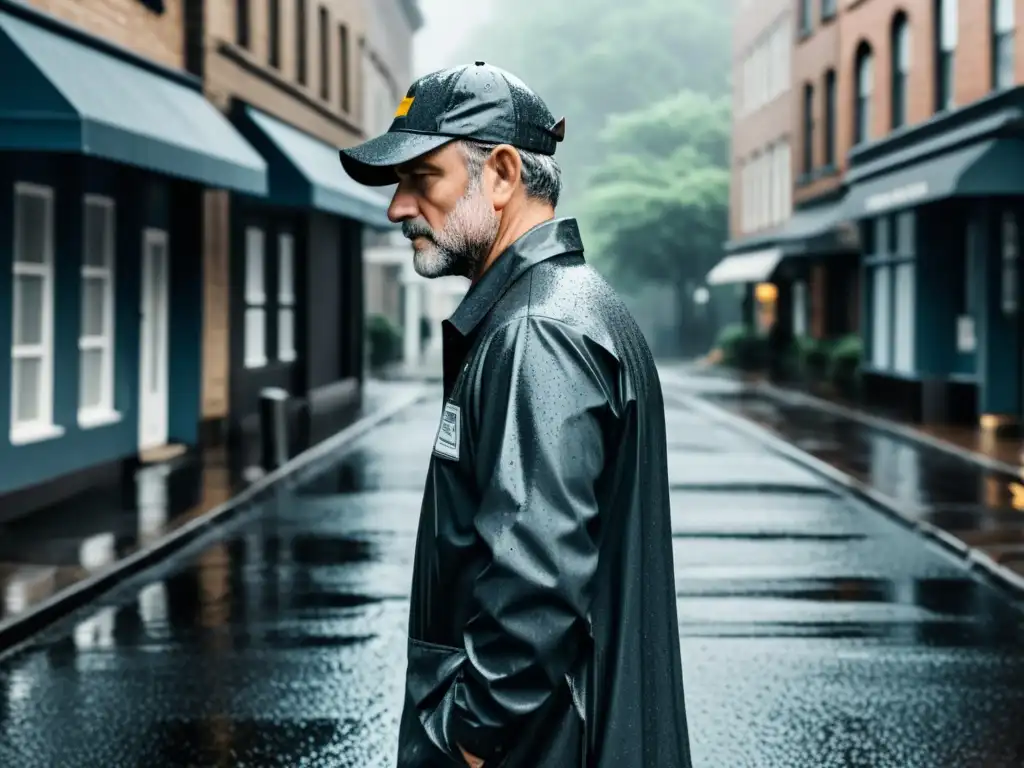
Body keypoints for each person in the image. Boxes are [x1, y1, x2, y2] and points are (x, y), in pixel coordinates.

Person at [339, 62, 692, 768]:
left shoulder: (537, 332)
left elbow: (535, 581)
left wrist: (464, 741)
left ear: (501, 174)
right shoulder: (569, 306)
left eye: (422, 179)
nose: (397, 209)